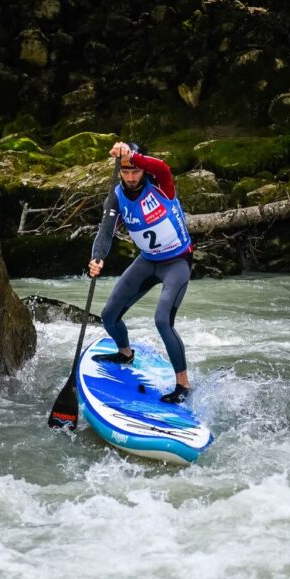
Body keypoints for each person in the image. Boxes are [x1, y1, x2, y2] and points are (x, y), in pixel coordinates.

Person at [88, 141, 194, 404]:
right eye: (126, 172)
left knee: (162, 320)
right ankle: (125, 353)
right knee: (109, 316)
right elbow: (106, 230)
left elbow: (162, 167)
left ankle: (182, 384)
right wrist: (97, 257)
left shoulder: (161, 183)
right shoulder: (116, 195)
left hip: (177, 262)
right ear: (120, 171)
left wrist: (132, 156)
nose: (132, 177)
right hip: (147, 262)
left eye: (136, 171)